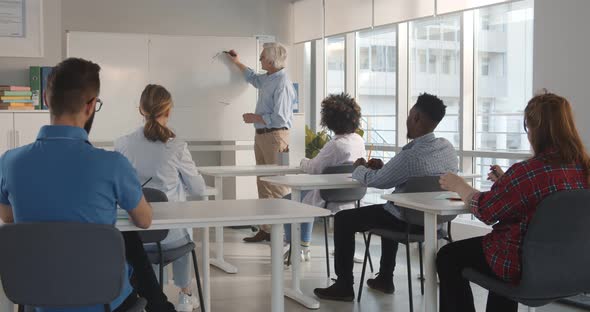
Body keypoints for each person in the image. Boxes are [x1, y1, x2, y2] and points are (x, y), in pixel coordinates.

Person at [0, 58, 177, 312]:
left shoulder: (9, 162)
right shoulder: (113, 165)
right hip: (103, 300)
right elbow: (144, 220)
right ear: (92, 105)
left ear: (48, 100)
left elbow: (8, 216)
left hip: (36, 298)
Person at [436, 91, 590, 312]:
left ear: (535, 128)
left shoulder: (529, 171)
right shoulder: (584, 168)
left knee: (448, 256)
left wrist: (460, 186)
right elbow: (548, 204)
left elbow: (487, 212)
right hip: (573, 267)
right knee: (503, 259)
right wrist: (507, 182)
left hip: (524, 266)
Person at [313, 93, 458, 302]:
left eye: (409, 115)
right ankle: (384, 279)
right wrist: (384, 168)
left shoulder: (411, 156)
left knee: (346, 219)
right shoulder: (447, 148)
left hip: (406, 222)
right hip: (435, 223)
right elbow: (404, 174)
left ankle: (344, 285)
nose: (407, 120)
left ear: (416, 117)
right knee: (392, 206)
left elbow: (378, 181)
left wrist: (359, 168)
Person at [115, 84, 206, 311]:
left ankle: (149, 294)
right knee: (181, 222)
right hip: (172, 238)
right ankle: (185, 294)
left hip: (135, 237)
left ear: (140, 110)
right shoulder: (176, 146)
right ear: (168, 112)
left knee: (148, 236)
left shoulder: (122, 144)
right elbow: (199, 190)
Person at [226, 42, 296, 243]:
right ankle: (266, 229)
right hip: (263, 136)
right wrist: (237, 62)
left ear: (273, 60)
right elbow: (252, 78)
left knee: (278, 185)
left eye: (263, 56)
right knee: (263, 183)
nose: (260, 59)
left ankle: (284, 233)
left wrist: (255, 118)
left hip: (276, 137)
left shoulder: (282, 83)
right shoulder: (268, 79)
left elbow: (281, 117)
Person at [284, 93, 365, 262]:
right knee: (305, 198)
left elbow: (314, 168)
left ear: (329, 120)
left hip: (329, 198)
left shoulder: (335, 145)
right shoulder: (358, 140)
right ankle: (303, 246)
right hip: (352, 198)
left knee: (288, 201)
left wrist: (302, 161)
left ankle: (296, 248)